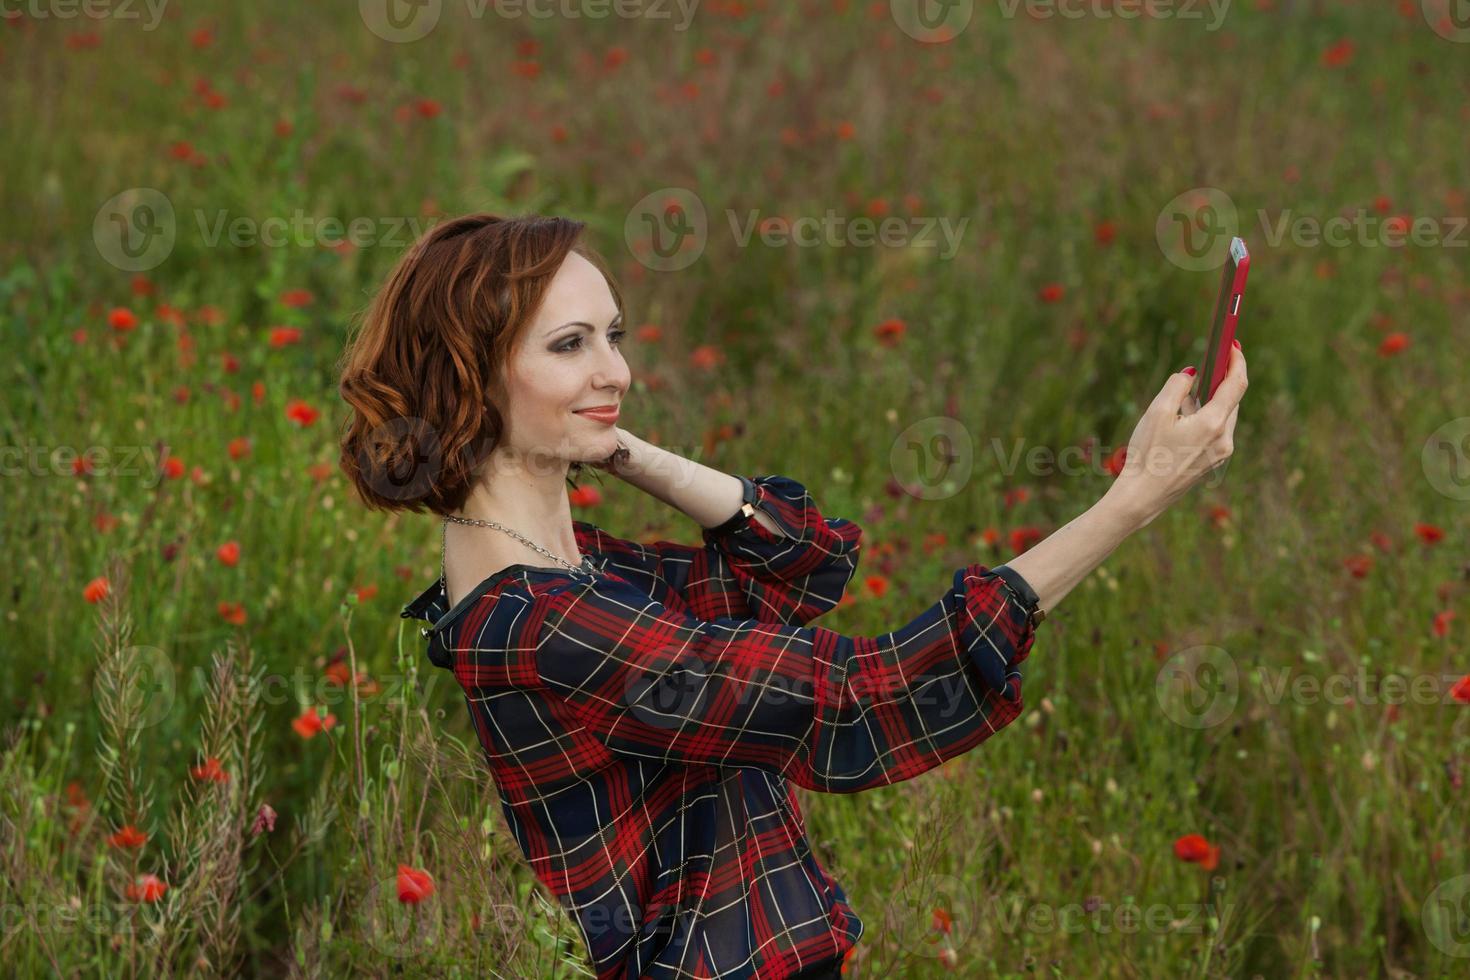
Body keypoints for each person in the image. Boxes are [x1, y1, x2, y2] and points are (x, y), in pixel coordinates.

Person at [339, 213, 1248, 979]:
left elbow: (807, 563)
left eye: (614, 335)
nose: (616, 371)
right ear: (471, 376)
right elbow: (857, 706)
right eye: (569, 346)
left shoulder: (595, 574)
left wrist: (617, 446)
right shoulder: (539, 625)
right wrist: (1129, 503)